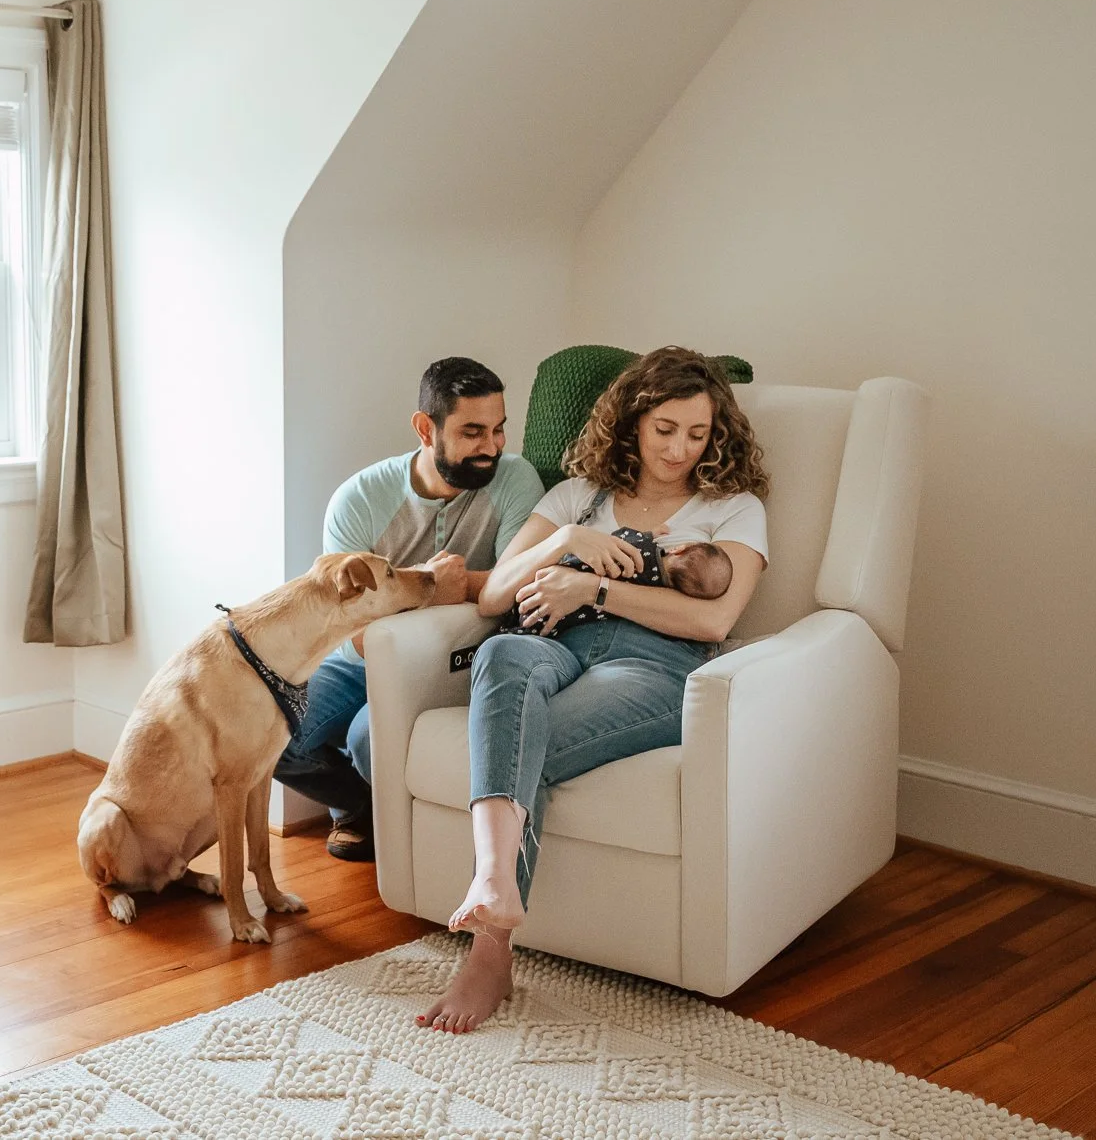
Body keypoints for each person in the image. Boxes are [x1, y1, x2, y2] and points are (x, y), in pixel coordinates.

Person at [419, 346, 771, 1032]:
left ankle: (490, 946)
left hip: (655, 666)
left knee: (527, 742)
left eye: (697, 434)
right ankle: (494, 880)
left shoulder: (733, 508)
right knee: (502, 654)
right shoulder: (579, 494)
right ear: (634, 419)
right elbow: (493, 592)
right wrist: (569, 542)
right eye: (666, 428)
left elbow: (714, 616)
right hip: (554, 643)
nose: (680, 449)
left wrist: (597, 586)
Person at [275, 357, 544, 863]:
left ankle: (405, 829)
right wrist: (430, 588)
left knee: (366, 738)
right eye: (472, 432)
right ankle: (363, 807)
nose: (491, 447)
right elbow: (350, 629)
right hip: (362, 659)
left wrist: (445, 589)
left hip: (453, 656)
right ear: (425, 428)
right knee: (276, 729)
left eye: (499, 430)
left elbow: (515, 583)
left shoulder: (515, 480)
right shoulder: (358, 500)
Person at [497, 533, 732, 638]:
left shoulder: (643, 551)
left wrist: (649, 534)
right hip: (561, 622)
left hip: (547, 583)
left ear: (679, 548)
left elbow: (619, 538)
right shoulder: (654, 589)